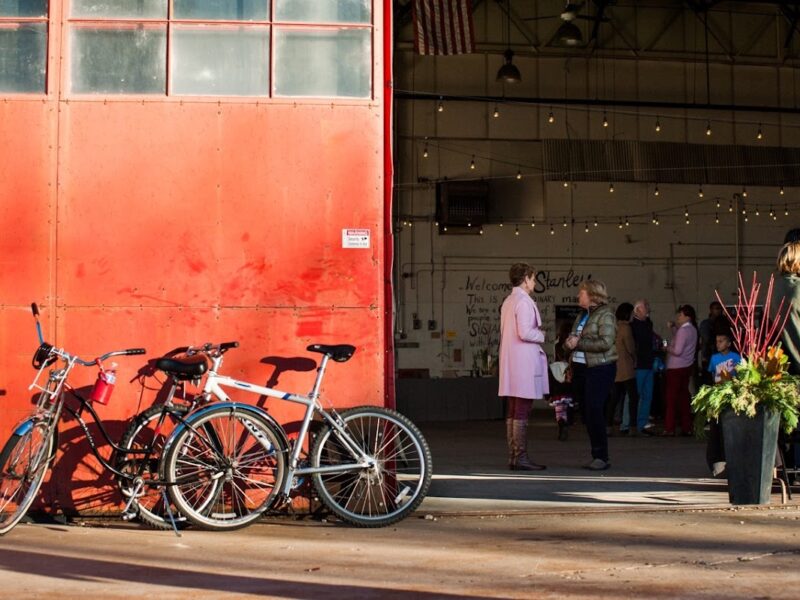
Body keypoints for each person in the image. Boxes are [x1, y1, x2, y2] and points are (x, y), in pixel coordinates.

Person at [498, 263, 548, 471]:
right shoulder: (524, 302)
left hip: (512, 361)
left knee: (513, 409)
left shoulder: (509, 300)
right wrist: (542, 335)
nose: (535, 282)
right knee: (522, 410)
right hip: (523, 362)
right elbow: (525, 332)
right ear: (526, 279)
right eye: (533, 278)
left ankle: (514, 455)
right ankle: (521, 456)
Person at [564, 280, 617, 470]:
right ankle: (597, 453)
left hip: (599, 368)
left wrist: (578, 343)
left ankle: (601, 456)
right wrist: (568, 344)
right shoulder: (581, 315)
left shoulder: (606, 315)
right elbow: (574, 338)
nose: (579, 295)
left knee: (594, 409)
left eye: (582, 292)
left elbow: (606, 343)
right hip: (581, 368)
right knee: (587, 412)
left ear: (593, 295)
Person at [705, 331, 742, 478]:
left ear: (729, 343)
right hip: (718, 392)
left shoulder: (736, 358)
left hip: (732, 392)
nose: (718, 344)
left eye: (721, 341)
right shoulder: (714, 358)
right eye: (717, 341)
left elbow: (740, 375)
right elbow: (712, 375)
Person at [662, 304, 699, 436]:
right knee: (683, 397)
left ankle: (669, 427)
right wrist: (673, 328)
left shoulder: (683, 331)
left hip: (675, 367)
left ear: (687, 317)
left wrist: (666, 348)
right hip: (687, 366)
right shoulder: (692, 330)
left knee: (671, 398)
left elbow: (677, 350)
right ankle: (686, 426)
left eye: (680, 315)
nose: (678, 318)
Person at [608, 302, 639, 436]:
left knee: (613, 398)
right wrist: (635, 358)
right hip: (626, 367)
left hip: (615, 365)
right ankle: (632, 427)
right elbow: (630, 347)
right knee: (633, 397)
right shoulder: (626, 328)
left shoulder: (614, 327)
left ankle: (607, 426)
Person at [630, 299, 656, 435]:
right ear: (638, 310)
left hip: (646, 363)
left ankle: (641, 422)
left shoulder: (646, 324)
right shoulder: (633, 326)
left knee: (647, 395)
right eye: (646, 308)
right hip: (640, 364)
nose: (648, 310)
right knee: (638, 395)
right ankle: (633, 423)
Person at [698, 301, 724, 385]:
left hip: (720, 355)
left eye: (720, 309)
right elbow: (707, 340)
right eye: (717, 309)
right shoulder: (706, 324)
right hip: (709, 355)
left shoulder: (723, 323)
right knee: (709, 381)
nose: (719, 311)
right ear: (711, 310)